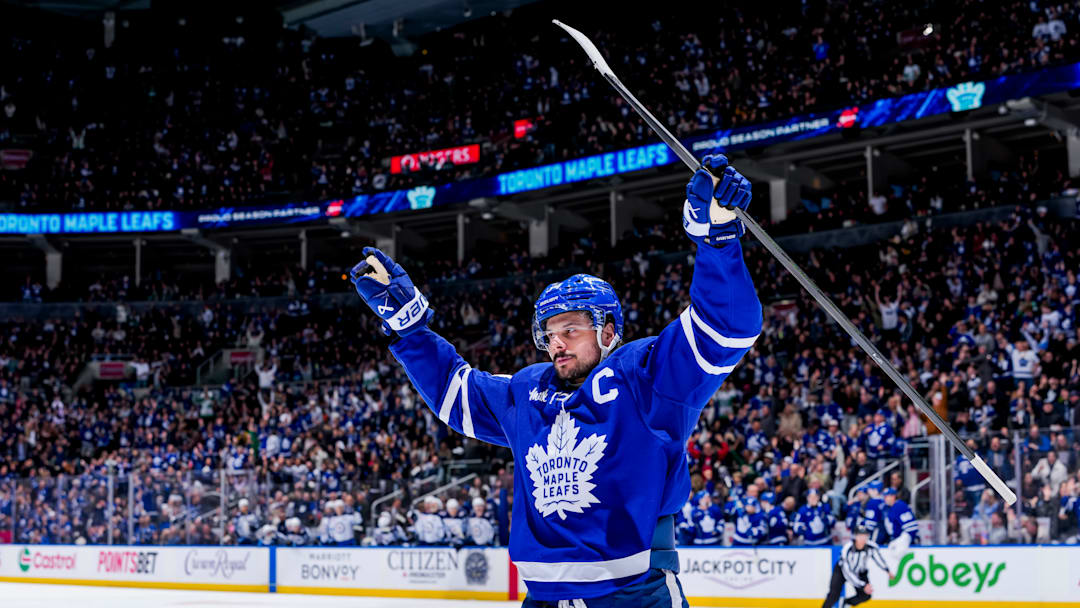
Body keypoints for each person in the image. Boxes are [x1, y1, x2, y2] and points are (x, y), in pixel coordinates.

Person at [351, 154, 759, 606]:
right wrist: (410, 330)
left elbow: (726, 327)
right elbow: (455, 392)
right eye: (549, 334)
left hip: (631, 595)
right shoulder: (526, 390)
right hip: (543, 599)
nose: (557, 344)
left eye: (570, 330)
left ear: (607, 332)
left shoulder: (644, 377)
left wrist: (716, 240)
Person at [821, 526, 891, 608]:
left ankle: (846, 603)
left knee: (866, 595)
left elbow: (878, 558)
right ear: (855, 536)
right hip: (842, 571)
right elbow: (847, 572)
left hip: (860, 571)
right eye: (860, 535)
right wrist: (863, 585)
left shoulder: (871, 546)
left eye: (865, 535)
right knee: (833, 595)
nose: (862, 538)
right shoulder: (847, 549)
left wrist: (887, 570)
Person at [881, 487, 919, 555]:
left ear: (893, 496)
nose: (885, 498)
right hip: (895, 540)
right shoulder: (888, 507)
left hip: (905, 543)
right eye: (884, 496)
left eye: (887, 496)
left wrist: (902, 540)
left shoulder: (900, 506)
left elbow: (911, 527)